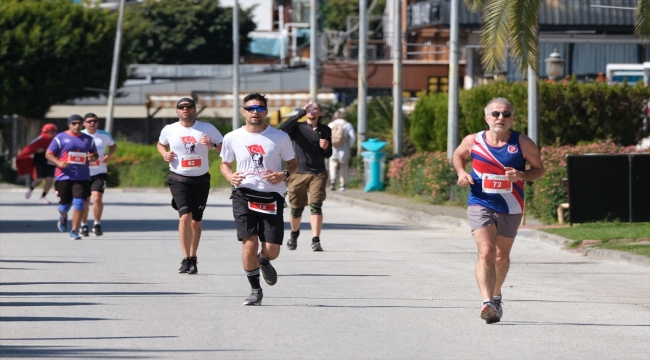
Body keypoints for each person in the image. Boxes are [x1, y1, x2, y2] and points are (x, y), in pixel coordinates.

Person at [451, 97, 544, 324]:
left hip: (511, 205)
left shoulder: (523, 143)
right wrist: (462, 173)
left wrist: (522, 175)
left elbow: (539, 170)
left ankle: (496, 295)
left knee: (501, 257)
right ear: (486, 118)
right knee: (486, 252)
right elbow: (457, 156)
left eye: (506, 114)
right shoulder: (474, 141)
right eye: (495, 114)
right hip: (480, 201)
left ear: (512, 118)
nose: (500, 118)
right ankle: (487, 302)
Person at [220, 92, 297, 306]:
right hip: (243, 194)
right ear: (243, 111)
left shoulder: (280, 137)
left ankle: (263, 262)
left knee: (272, 250)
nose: (255, 112)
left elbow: (293, 164)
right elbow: (225, 163)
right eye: (251, 108)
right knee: (249, 245)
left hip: (271, 196)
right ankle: (255, 290)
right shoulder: (232, 137)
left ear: (266, 111)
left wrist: (283, 175)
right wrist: (229, 175)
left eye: (260, 108)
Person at [157, 97, 223, 275]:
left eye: (189, 106)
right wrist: (165, 154)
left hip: (201, 180)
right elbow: (160, 144)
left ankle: (193, 257)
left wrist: (211, 145)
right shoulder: (169, 129)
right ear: (177, 111)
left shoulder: (207, 128)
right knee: (185, 216)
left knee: (196, 220)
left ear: (194, 110)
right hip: (178, 178)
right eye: (181, 107)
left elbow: (224, 148)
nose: (185, 109)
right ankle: (185, 258)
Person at [279, 102, 332, 252]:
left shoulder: (325, 130)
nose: (312, 110)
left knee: (316, 204)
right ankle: (294, 234)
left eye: (315, 108)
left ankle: (316, 240)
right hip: (298, 173)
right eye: (309, 108)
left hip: (318, 172)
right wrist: (300, 113)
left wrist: (326, 147)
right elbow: (283, 128)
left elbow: (328, 154)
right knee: (296, 209)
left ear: (320, 113)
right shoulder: (297, 128)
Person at [45, 115, 98, 240]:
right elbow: (48, 154)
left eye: (79, 123)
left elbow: (95, 154)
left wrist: (92, 157)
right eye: (74, 123)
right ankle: (63, 217)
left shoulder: (88, 139)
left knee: (80, 204)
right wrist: (58, 163)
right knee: (64, 206)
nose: (77, 126)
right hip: (64, 176)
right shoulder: (60, 137)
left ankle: (74, 230)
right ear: (69, 124)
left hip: (82, 176)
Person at [80, 113, 117, 237]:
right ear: (84, 123)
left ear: (97, 123)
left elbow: (113, 146)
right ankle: (83, 225)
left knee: (97, 198)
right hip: (83, 173)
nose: (92, 123)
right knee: (85, 201)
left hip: (99, 172)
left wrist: (108, 155)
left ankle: (97, 224)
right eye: (89, 121)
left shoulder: (104, 135)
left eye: (94, 121)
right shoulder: (80, 135)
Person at [16, 123, 58, 204]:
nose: (53, 133)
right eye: (51, 131)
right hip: (40, 163)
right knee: (39, 180)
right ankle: (31, 189)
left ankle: (43, 197)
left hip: (50, 163)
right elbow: (31, 149)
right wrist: (41, 150)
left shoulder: (55, 140)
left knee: (49, 180)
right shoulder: (40, 139)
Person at [327, 108, 356, 191]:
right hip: (344, 147)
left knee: (333, 164)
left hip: (333, 147)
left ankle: (332, 181)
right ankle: (342, 185)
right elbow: (353, 137)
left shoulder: (331, 124)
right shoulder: (347, 125)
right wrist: (349, 145)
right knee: (344, 166)